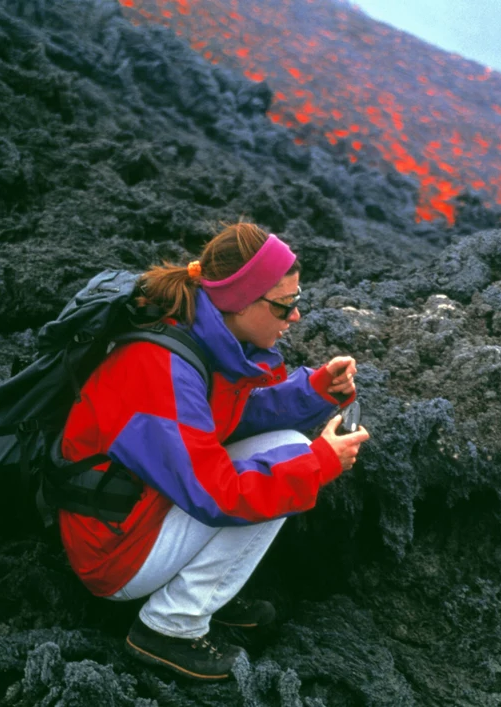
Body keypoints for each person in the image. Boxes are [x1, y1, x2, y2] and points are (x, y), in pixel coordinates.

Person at [57, 221, 369, 680]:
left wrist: (317, 390)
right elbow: (219, 494)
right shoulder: (161, 370)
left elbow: (227, 419)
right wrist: (320, 464)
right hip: (114, 554)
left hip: (141, 509)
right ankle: (170, 626)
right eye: (287, 306)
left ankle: (208, 590)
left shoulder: (197, 332)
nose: (296, 318)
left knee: (287, 450)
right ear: (240, 300)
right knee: (291, 464)